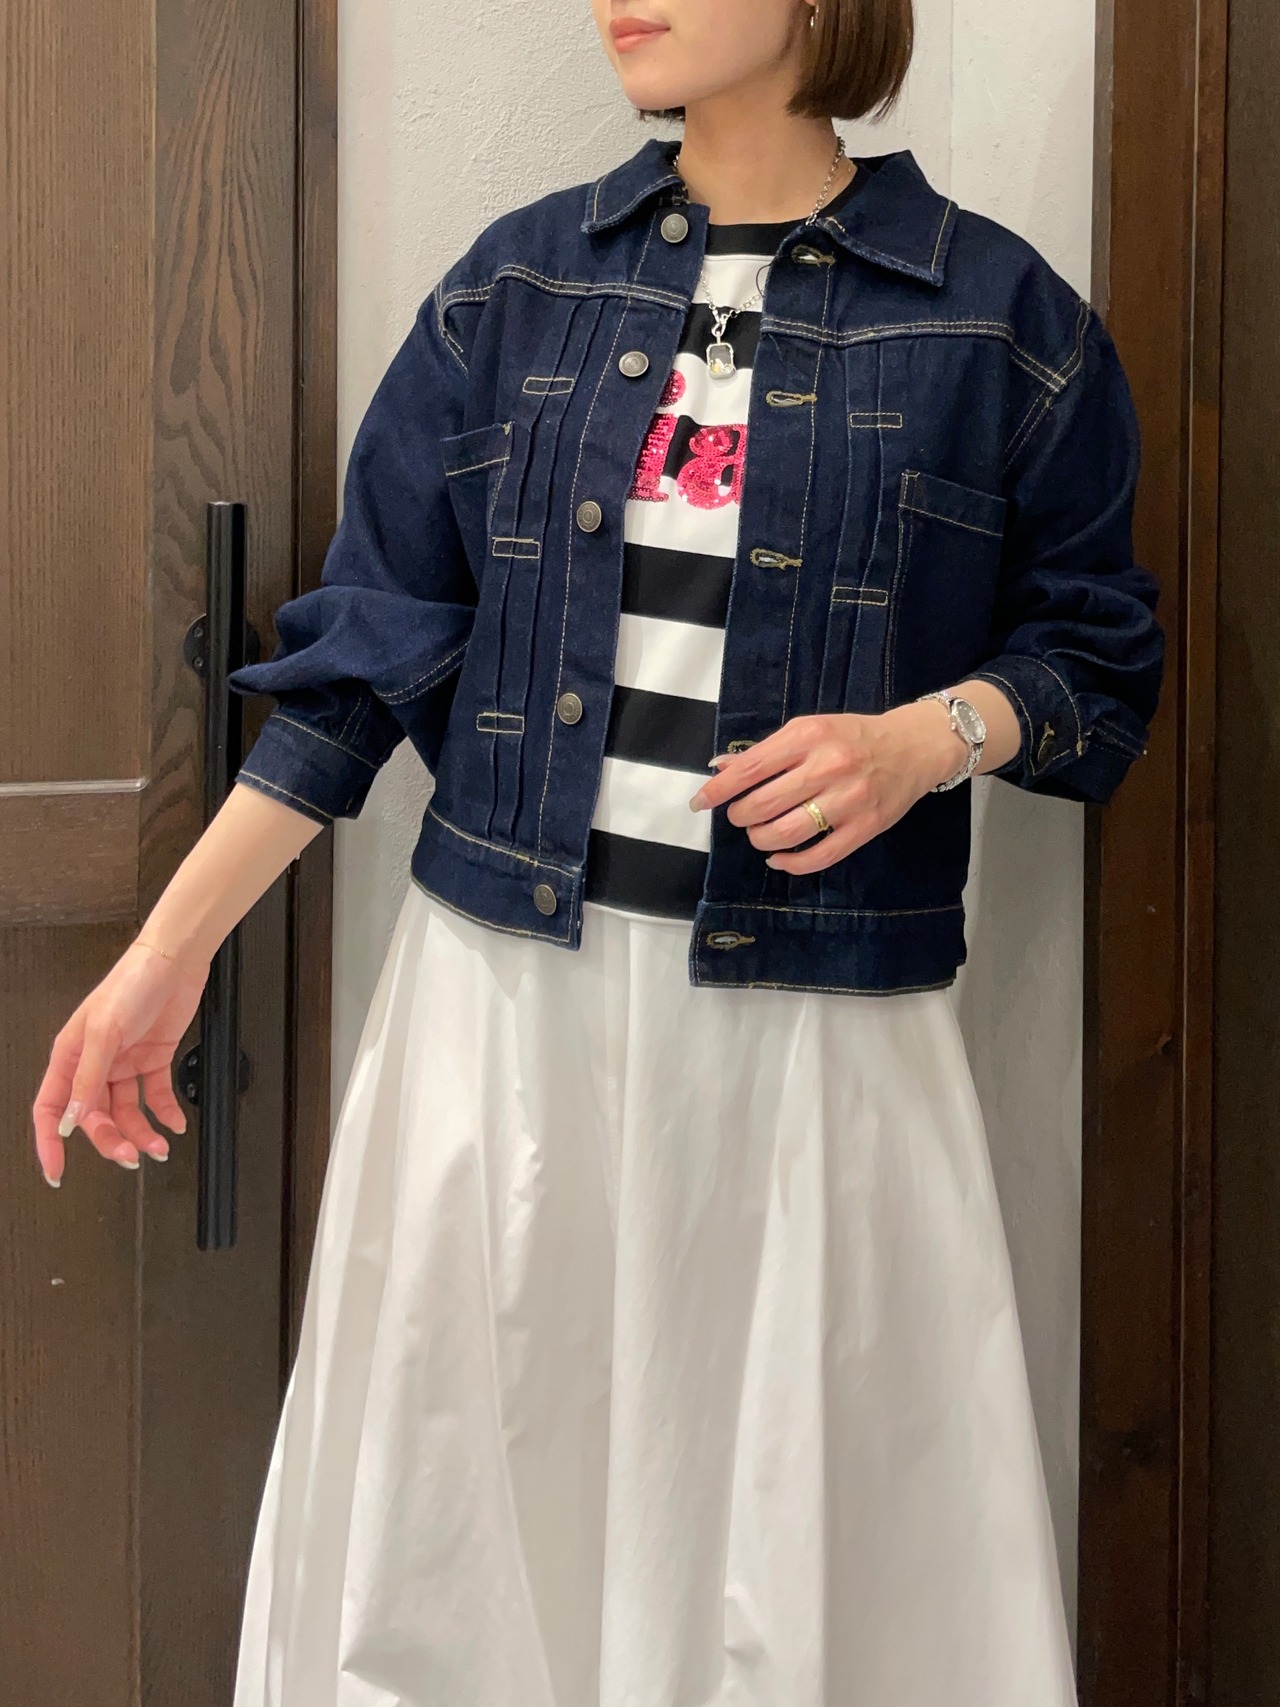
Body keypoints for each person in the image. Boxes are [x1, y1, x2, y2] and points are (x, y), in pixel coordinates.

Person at [31, 1, 1164, 1702]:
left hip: (815, 1049)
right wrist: (165, 955)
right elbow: (359, 666)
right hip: (503, 1024)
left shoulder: (1001, 319)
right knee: (466, 1527)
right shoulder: (514, 291)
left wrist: (931, 738)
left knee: (795, 1527)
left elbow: (1096, 657)